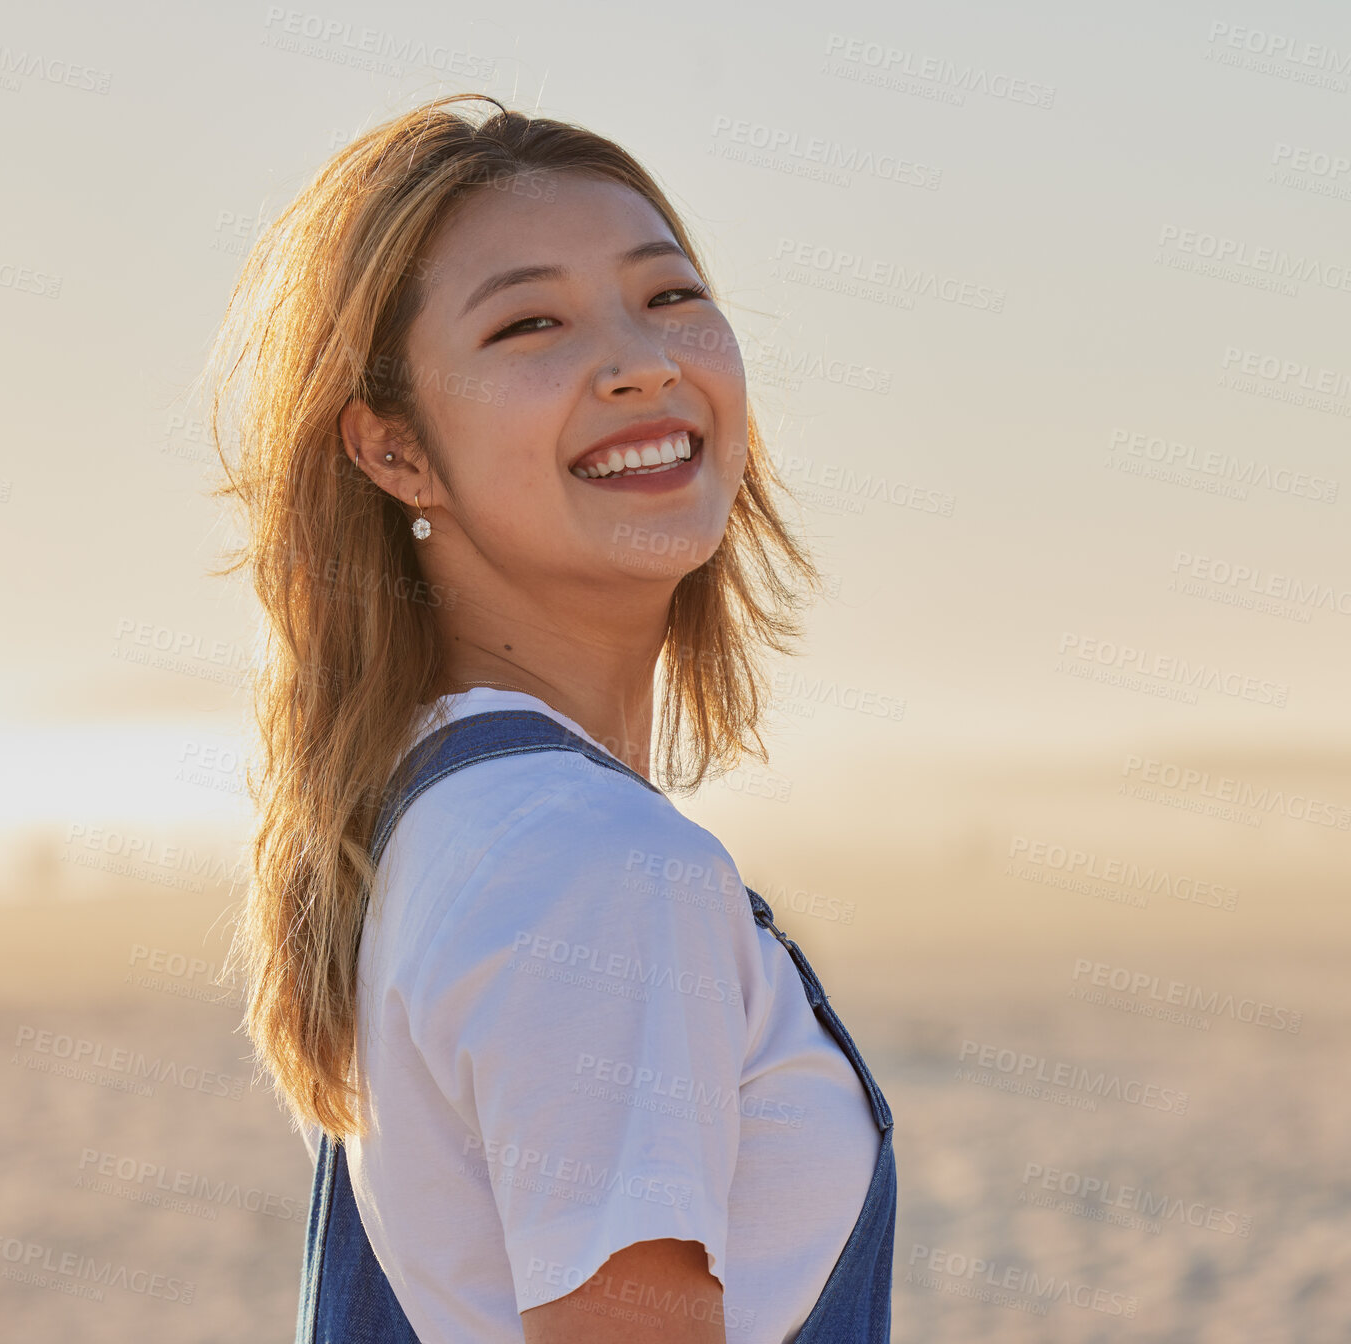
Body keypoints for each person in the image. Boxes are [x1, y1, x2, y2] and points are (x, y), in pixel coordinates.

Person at [205, 93, 896, 1344]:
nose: (644, 360)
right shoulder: (586, 864)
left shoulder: (446, 810)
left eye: (671, 297)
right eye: (531, 323)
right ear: (395, 451)